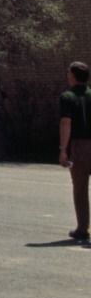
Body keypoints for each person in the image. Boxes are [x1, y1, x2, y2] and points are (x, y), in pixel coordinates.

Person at [63, 61, 91, 243]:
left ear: (73, 75)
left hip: (79, 146)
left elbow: (65, 123)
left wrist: (62, 150)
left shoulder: (67, 97)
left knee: (80, 188)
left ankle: (83, 228)